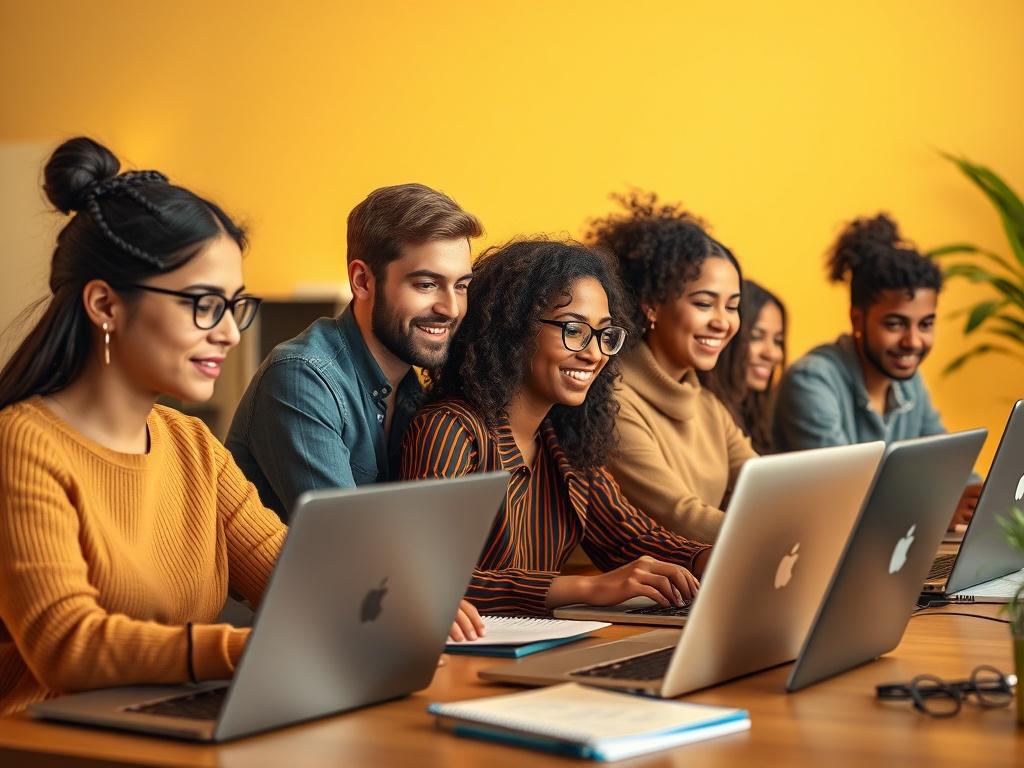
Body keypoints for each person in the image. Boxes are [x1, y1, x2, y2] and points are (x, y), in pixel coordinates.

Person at [0, 137, 287, 715]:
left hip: (165, 730)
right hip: (47, 745)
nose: (230, 332)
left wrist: (394, 609)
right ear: (105, 304)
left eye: (236, 305)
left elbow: (292, 573)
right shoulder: (22, 444)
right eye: (204, 303)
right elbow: (68, 647)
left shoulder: (191, 446)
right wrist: (247, 651)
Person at [402, 239, 711, 616]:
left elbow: (634, 539)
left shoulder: (565, 443)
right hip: (462, 659)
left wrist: (708, 558)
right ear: (511, 329)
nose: (594, 353)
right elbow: (426, 578)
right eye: (573, 329)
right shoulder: (451, 430)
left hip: (542, 646)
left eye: (604, 334)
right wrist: (588, 586)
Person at [226, 184, 482, 525]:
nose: (450, 308)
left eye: (461, 286)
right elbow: (350, 543)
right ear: (362, 281)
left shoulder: (410, 388)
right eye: (426, 284)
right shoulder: (301, 378)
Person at [772, 213, 980, 526]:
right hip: (814, 555)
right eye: (895, 324)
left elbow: (948, 464)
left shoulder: (909, 382)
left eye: (925, 324)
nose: (913, 341)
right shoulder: (812, 380)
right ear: (857, 320)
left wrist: (980, 496)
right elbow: (846, 492)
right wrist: (938, 507)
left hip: (885, 547)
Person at [588, 193, 756, 544]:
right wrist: (777, 534)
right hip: (632, 591)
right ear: (651, 305)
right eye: (704, 303)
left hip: (688, 583)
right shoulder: (611, 401)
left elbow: (770, 484)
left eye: (733, 306)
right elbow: (680, 517)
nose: (722, 322)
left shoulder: (706, 405)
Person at [703, 279, 787, 454]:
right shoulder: (707, 410)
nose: (772, 354)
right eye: (756, 337)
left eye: (778, 341)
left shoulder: (758, 414)